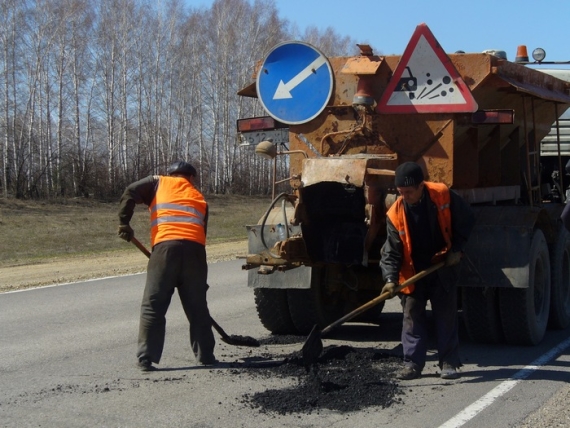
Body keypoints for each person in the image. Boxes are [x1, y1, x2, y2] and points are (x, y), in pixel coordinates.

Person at [117, 161, 216, 371]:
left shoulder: (158, 182)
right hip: (196, 254)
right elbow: (202, 234)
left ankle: (146, 359)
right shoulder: (199, 198)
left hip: (165, 250)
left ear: (171, 174)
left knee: (153, 305)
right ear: (191, 178)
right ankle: (206, 355)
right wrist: (198, 281)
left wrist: (124, 222)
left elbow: (130, 192)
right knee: (197, 307)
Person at [380, 162, 475, 380]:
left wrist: (458, 250)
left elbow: (467, 219)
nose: (405, 196)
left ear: (421, 186)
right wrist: (390, 279)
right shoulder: (395, 214)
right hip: (413, 270)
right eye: (400, 192)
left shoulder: (442, 195)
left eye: (409, 192)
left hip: (442, 264)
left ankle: (449, 362)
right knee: (412, 316)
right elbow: (392, 252)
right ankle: (412, 364)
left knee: (446, 314)